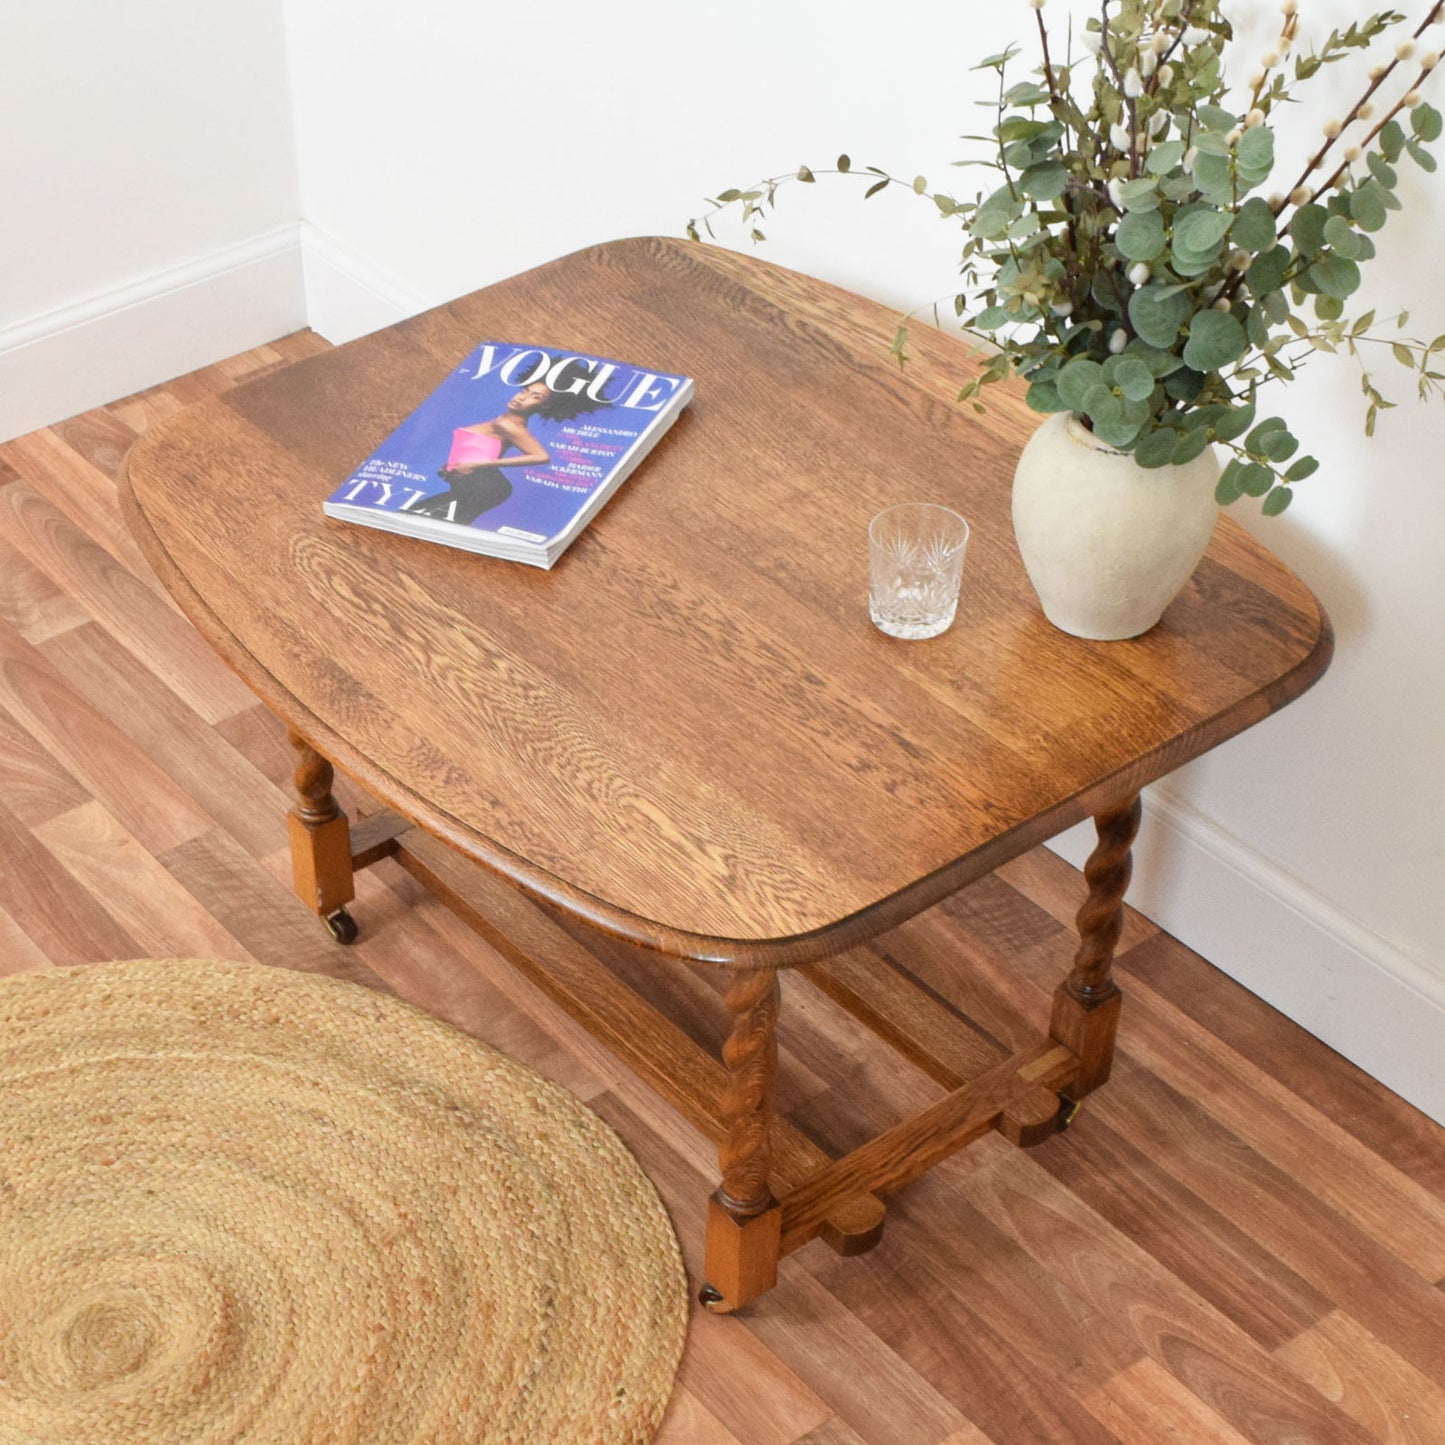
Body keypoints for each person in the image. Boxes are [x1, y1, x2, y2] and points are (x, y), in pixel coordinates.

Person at [410, 380, 600, 526]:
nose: (521, 397)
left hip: (484, 487)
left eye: (535, 396)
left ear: (544, 406)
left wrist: (475, 464)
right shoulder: (505, 421)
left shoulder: (508, 425)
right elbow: (484, 449)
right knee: (428, 520)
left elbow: (542, 456)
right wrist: (452, 467)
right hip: (475, 485)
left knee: (427, 521)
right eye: (525, 390)